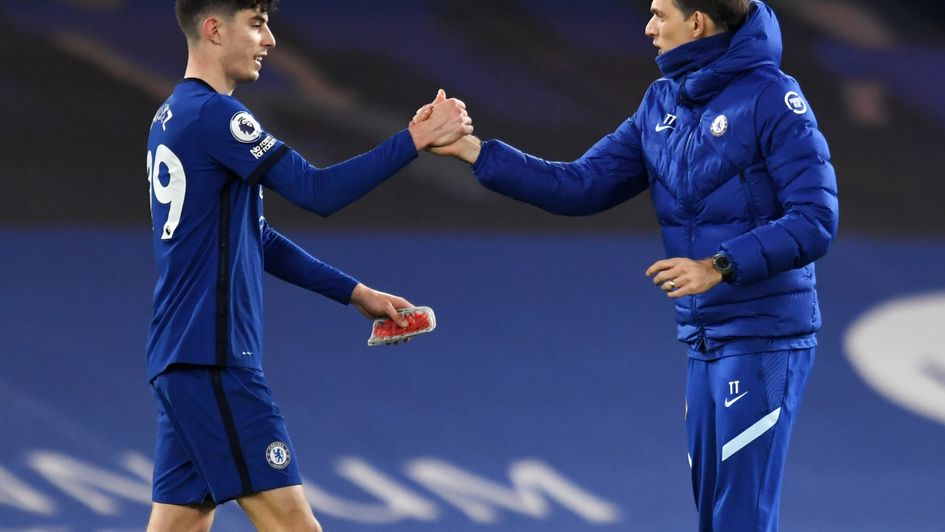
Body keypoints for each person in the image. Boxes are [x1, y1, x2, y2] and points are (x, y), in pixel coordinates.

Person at [415, 0, 838, 530]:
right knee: (716, 514)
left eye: (661, 15)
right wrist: (474, 151)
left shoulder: (773, 96)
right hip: (705, 335)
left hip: (764, 334)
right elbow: (580, 185)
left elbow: (815, 218)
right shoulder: (662, 101)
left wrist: (718, 266)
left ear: (698, 22)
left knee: (740, 516)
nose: (648, 28)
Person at [145, 1, 472, 530]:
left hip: (180, 357)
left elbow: (257, 238)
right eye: (256, 24)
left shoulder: (171, 116)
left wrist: (355, 292)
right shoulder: (217, 116)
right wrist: (416, 139)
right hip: (215, 359)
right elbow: (317, 192)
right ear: (212, 29)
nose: (269, 39)